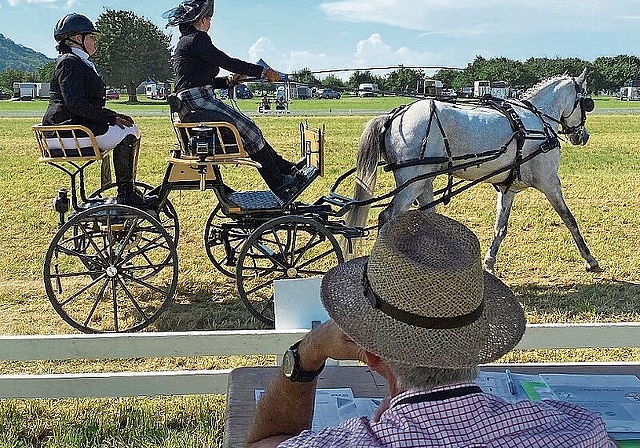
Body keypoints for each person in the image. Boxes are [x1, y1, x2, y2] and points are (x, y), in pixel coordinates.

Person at [246, 211, 615, 448]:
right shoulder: (581, 430)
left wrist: (308, 351)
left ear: (370, 353)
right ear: (480, 338)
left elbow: (263, 442)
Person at [163, 0, 317, 202]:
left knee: (249, 130)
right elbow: (227, 61)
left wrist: (229, 81)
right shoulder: (197, 39)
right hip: (197, 101)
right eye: (209, 18)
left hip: (195, 99)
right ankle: (279, 183)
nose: (210, 22)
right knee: (250, 131)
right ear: (201, 20)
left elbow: (199, 80)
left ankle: (286, 169)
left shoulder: (188, 42)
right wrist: (263, 71)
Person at [42, 13, 153, 208]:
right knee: (128, 133)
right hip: (65, 131)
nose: (95, 41)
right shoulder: (70, 63)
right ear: (78, 39)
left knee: (130, 129)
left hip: (72, 127)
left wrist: (113, 116)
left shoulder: (77, 61)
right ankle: (126, 193)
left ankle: (127, 190)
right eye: (92, 37)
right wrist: (110, 117)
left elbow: (82, 104)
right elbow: (75, 103)